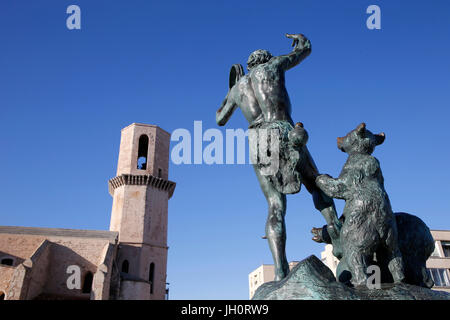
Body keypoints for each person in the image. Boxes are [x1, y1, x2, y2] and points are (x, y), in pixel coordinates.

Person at [216, 33, 341, 280]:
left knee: (274, 205)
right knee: (315, 182)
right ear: (265, 59)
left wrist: (232, 87)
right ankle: (337, 233)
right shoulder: (272, 66)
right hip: (282, 128)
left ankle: (280, 271)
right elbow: (304, 50)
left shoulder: (237, 89)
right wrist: (301, 40)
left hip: (258, 140)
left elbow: (219, 118)